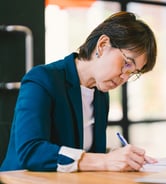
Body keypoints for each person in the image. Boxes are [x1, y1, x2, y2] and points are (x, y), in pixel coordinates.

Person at [0, 11, 157, 172]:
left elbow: (80, 151)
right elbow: (31, 152)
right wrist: (104, 161)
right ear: (102, 45)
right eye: (127, 64)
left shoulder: (100, 94)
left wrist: (116, 155)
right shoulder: (42, 79)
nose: (124, 77)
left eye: (132, 73)